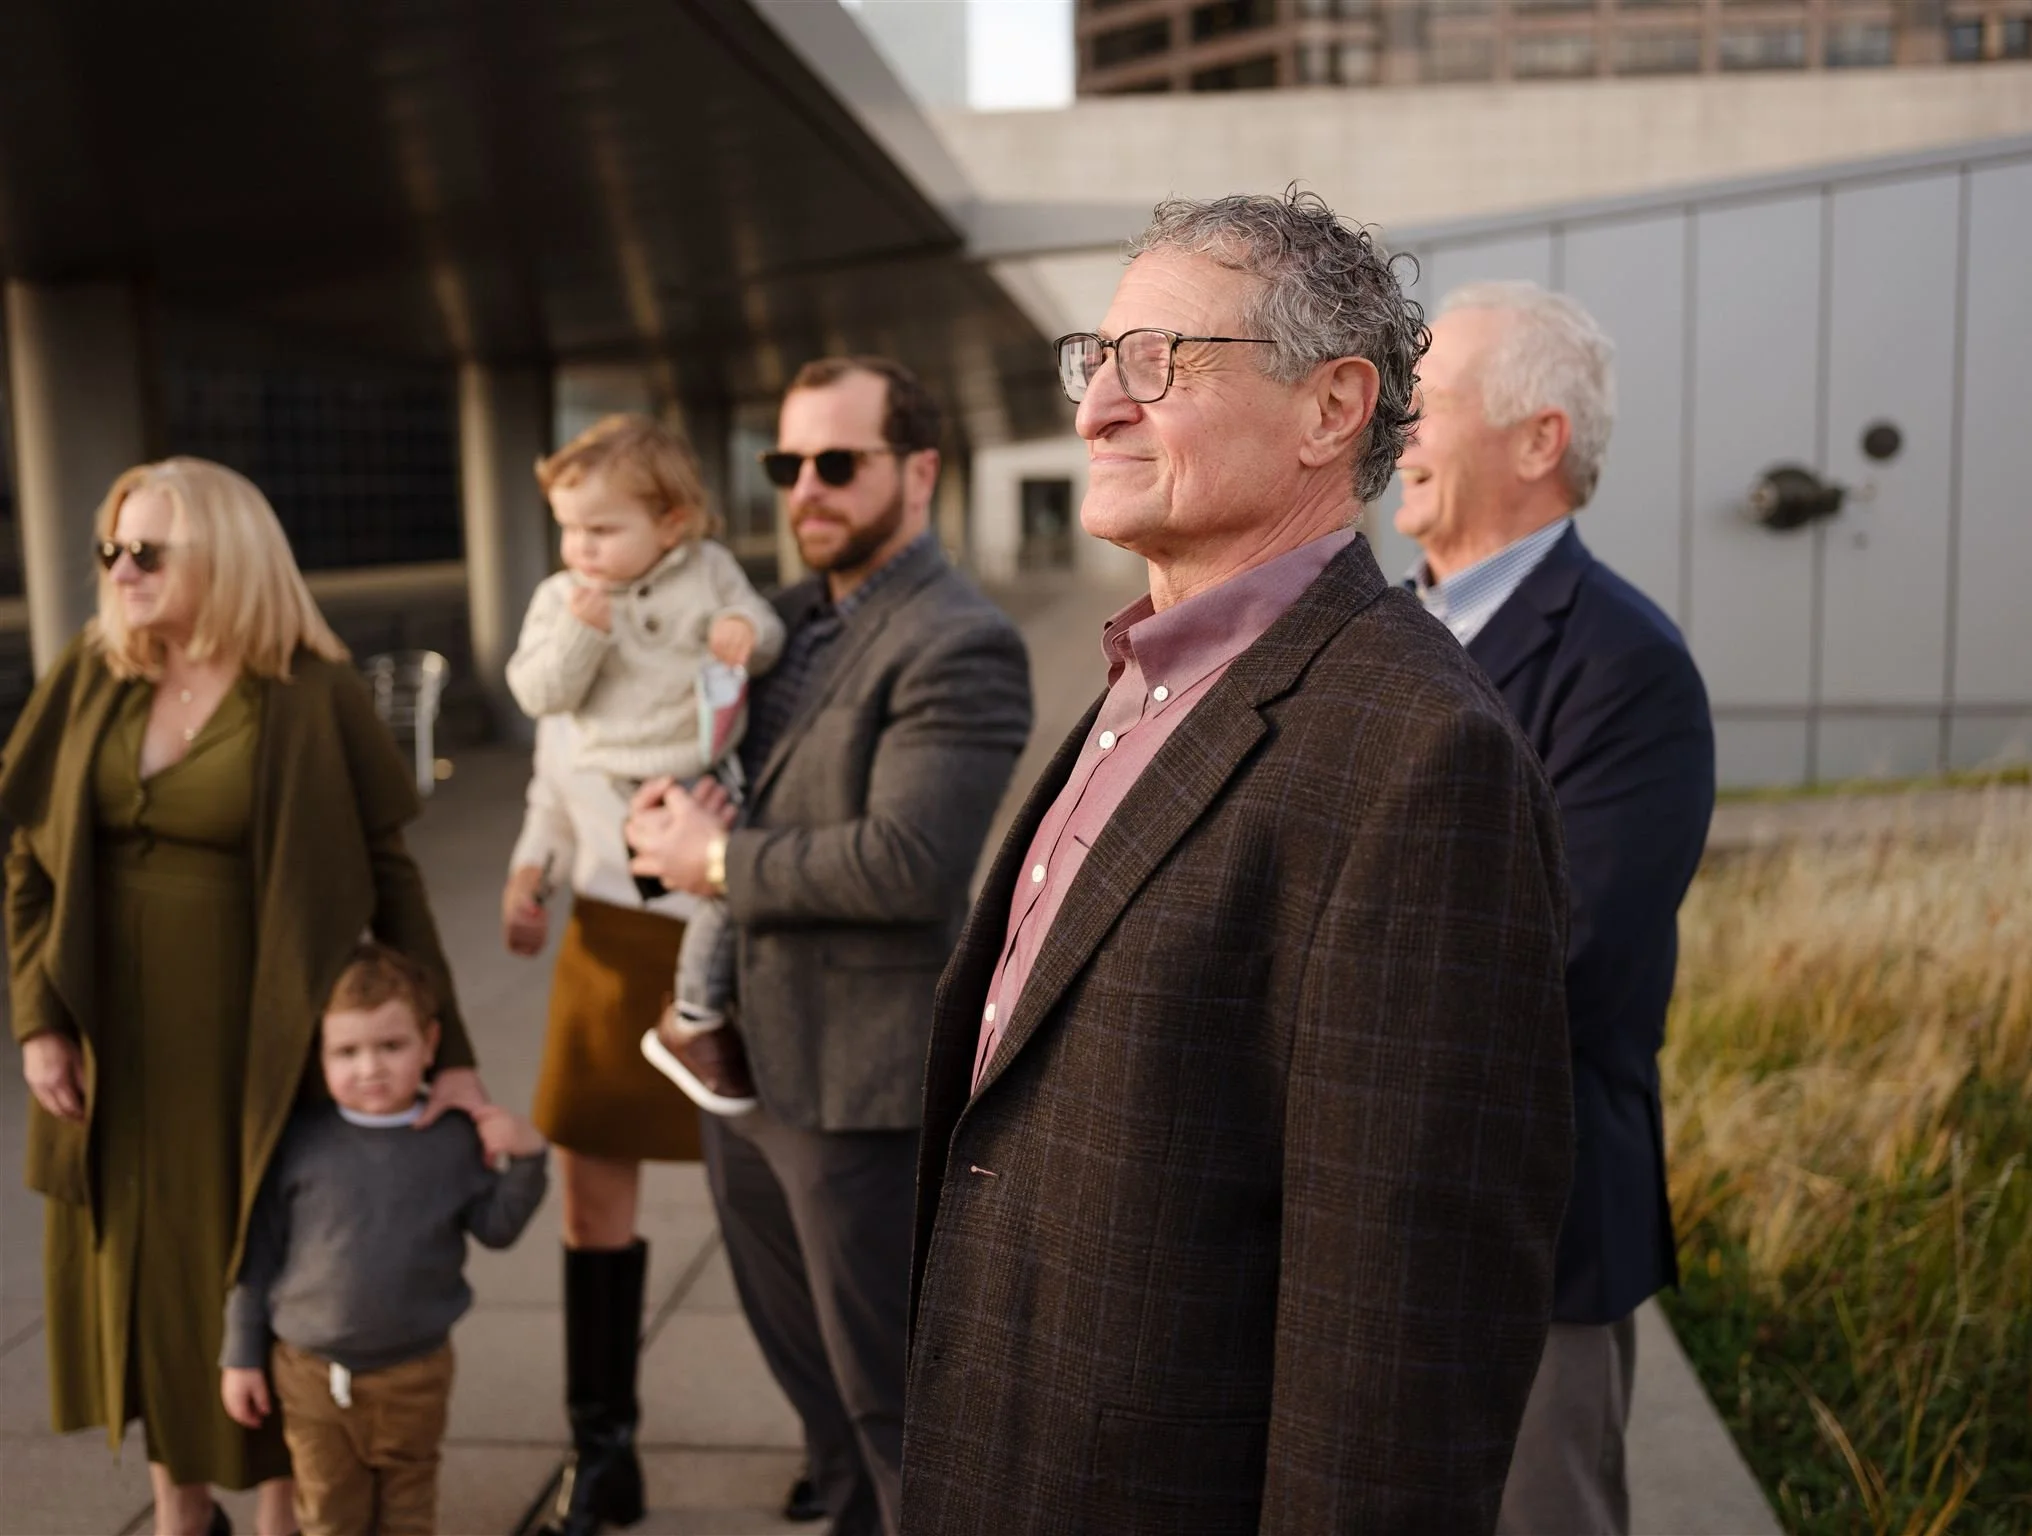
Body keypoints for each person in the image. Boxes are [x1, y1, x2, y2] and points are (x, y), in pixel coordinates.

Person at [897, 191, 1576, 1534]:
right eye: (1098, 362)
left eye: (1159, 362)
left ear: (1334, 407)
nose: (1096, 409)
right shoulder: (1141, 682)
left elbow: (1400, 1340)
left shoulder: (1418, 757)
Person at [3, 457, 485, 1536]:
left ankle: (280, 1509)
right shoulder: (93, 670)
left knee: (265, 1263)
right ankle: (179, 1510)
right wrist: (39, 1019)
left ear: (225, 555)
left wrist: (447, 1049)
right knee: (140, 1277)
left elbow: (386, 868)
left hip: (257, 1039)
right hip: (114, 1047)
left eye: (149, 550)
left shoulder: (309, 690)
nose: (121, 569)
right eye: (111, 549)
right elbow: (27, 860)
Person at [623, 357, 1033, 1536]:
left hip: (856, 1086)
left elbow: (907, 863)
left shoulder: (958, 639)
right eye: (786, 463)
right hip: (740, 1059)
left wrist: (715, 866)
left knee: (893, 1400)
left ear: (918, 472)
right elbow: (722, 774)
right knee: (812, 1385)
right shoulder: (785, 617)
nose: (806, 487)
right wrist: (662, 821)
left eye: (836, 463)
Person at [1394, 280, 1717, 1536]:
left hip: (1525, 1229)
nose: (1395, 433)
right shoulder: (1358, 634)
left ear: (1537, 439)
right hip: (1343, 1212)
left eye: (1423, 405)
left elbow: (1559, 955)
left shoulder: (1626, 667)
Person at [500, 414, 785, 1536]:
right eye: (566, 528)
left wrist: (727, 636)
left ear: (669, 521)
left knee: (766, 1197)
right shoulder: (559, 603)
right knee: (591, 1197)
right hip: (606, 941)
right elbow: (550, 749)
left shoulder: (710, 581)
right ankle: (601, 1452)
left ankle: (833, 1435)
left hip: (713, 924)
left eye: (599, 527)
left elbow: (751, 649)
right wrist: (533, 866)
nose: (577, 547)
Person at [220, 943, 548, 1536]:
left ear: (429, 1043)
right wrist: (241, 1355)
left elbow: (497, 1229)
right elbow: (259, 1254)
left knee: (408, 1507)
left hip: (415, 1370)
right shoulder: (299, 1142)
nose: (369, 1068)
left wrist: (526, 1162)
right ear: (318, 1056)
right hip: (310, 1370)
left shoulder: (449, 1139)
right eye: (347, 1052)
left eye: (391, 1047)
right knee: (328, 1510)